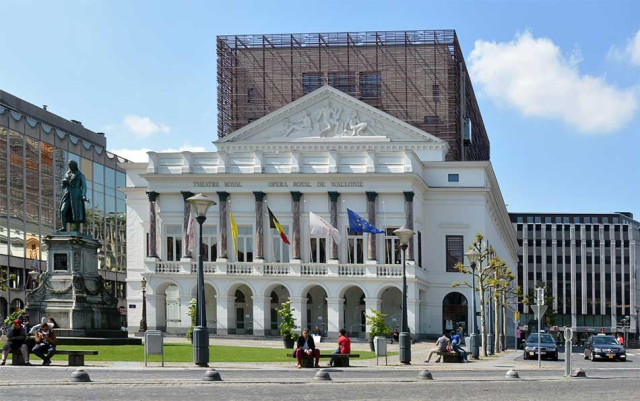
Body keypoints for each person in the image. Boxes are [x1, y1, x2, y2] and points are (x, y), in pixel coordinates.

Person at [59, 159, 88, 231]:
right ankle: (64, 227)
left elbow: (84, 186)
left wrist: (83, 195)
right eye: (68, 165)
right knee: (63, 210)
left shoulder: (80, 175)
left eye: (71, 165)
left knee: (77, 211)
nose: (69, 167)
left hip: (76, 195)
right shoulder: (67, 174)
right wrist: (64, 183)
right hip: (68, 194)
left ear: (74, 166)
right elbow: (63, 186)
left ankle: (77, 229)